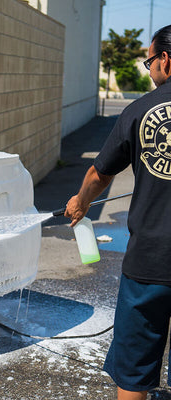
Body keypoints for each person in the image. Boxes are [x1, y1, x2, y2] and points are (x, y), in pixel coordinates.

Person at [64, 25, 171, 400]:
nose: (150, 69)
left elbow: (99, 173)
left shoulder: (139, 110)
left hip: (149, 261)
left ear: (165, 61)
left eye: (149, 61)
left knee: (133, 370)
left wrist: (80, 202)